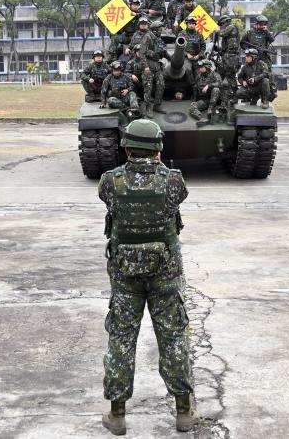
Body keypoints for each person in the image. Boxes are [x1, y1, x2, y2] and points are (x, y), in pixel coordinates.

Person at [97, 118, 194, 435]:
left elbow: (106, 199)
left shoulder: (111, 182)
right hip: (165, 275)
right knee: (173, 339)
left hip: (125, 277)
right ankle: (183, 412)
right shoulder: (173, 181)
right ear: (157, 149)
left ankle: (118, 415)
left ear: (126, 148)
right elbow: (177, 197)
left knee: (122, 341)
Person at [190, 59, 222, 126]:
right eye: (200, 67)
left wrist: (209, 86)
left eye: (202, 67)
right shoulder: (199, 76)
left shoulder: (215, 74)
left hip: (214, 100)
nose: (200, 68)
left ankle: (210, 109)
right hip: (204, 100)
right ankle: (201, 119)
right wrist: (194, 100)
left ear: (207, 67)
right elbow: (195, 88)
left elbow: (219, 83)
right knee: (192, 107)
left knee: (216, 89)